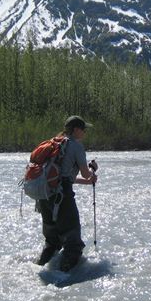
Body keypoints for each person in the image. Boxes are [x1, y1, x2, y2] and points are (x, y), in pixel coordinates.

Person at [36, 115, 98, 272]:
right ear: (76, 130)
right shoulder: (76, 146)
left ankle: (40, 268)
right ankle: (64, 279)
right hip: (62, 198)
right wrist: (92, 169)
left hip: (44, 196)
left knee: (52, 242)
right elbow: (85, 174)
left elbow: (61, 177)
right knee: (73, 243)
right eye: (83, 130)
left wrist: (86, 181)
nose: (85, 133)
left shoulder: (55, 143)